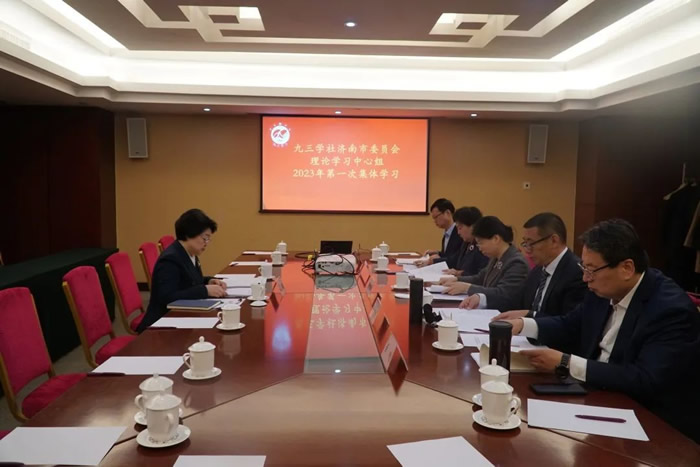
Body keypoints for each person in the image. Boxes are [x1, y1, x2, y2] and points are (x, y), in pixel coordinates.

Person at [503, 219, 700, 442]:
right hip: (594, 397)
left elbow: (646, 379)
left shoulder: (670, 310)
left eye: (591, 270)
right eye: (584, 268)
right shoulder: (602, 289)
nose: (585, 278)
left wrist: (567, 363)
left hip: (647, 423)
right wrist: (524, 324)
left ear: (626, 268)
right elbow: (571, 324)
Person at [137, 209, 227, 332]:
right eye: (205, 238)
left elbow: (189, 280)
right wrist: (204, 290)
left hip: (180, 316)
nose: (206, 243)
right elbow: (167, 297)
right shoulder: (170, 259)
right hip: (161, 326)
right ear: (189, 234)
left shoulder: (189, 253)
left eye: (208, 239)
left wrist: (208, 281)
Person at [484, 212, 586, 317]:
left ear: (554, 241)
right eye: (525, 243)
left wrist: (530, 316)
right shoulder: (538, 271)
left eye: (531, 243)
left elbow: (569, 321)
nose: (527, 250)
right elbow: (515, 301)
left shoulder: (577, 273)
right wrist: (482, 299)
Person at [440, 216, 528, 311]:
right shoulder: (495, 257)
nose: (479, 248)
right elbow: (480, 278)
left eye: (480, 243)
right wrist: (456, 279)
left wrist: (467, 288)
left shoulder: (516, 262)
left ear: (496, 239)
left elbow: (504, 294)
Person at [442, 207, 489, 277]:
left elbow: (482, 276)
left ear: (473, 226)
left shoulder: (483, 247)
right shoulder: (466, 243)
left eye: (460, 228)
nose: (458, 232)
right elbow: (455, 260)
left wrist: (460, 274)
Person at [416, 198, 463, 267]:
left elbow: (456, 259)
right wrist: (438, 253)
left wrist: (434, 261)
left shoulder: (460, 233)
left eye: (436, 217)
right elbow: (448, 255)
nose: (435, 221)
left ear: (447, 213)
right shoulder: (447, 233)